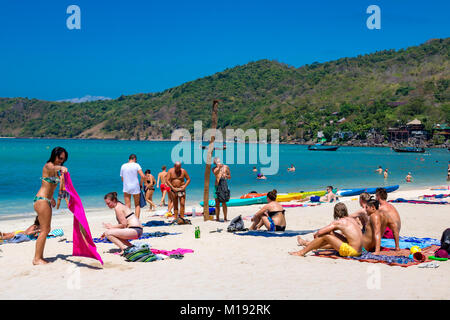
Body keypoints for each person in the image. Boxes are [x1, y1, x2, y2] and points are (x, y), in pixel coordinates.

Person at [32, 146, 68, 265]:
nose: (61, 161)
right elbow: (53, 167)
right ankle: (37, 259)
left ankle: (39, 257)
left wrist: (52, 198)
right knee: (45, 230)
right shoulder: (49, 165)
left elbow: (48, 185)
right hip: (41, 200)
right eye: (59, 158)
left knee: (45, 229)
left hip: (46, 200)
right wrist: (61, 167)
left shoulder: (55, 170)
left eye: (63, 159)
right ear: (54, 155)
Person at [290, 202, 363, 257]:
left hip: (353, 252)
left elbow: (319, 232)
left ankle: (302, 252)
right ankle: (308, 244)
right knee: (331, 234)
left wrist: (316, 235)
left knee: (325, 236)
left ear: (336, 212)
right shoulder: (352, 219)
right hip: (360, 250)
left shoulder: (338, 222)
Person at [120, 154, 146, 219]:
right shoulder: (137, 165)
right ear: (135, 159)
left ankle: (129, 221)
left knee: (127, 205)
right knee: (137, 205)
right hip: (135, 186)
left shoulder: (123, 166)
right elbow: (143, 176)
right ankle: (136, 221)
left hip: (126, 187)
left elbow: (122, 179)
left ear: (129, 159)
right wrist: (141, 183)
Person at [212, 157, 231, 222]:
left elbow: (230, 176)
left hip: (224, 185)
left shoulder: (226, 167)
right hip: (217, 186)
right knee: (217, 203)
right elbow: (215, 173)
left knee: (224, 202)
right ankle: (217, 218)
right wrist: (219, 168)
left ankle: (225, 218)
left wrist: (226, 176)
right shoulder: (214, 168)